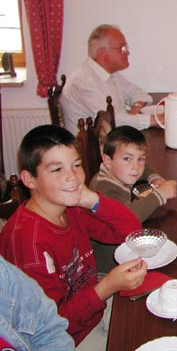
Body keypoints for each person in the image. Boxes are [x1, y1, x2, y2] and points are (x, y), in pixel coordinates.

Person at [0, 125, 148, 346]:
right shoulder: (28, 242)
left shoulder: (69, 207)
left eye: (76, 165)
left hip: (95, 312)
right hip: (72, 339)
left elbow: (131, 231)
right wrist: (107, 287)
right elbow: (51, 326)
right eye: (56, 169)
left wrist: (92, 200)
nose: (73, 177)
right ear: (29, 180)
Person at [89, 125, 177, 273]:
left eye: (140, 159)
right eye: (127, 159)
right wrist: (159, 195)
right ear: (108, 161)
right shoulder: (104, 189)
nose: (135, 167)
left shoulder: (116, 172)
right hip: (111, 266)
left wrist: (154, 178)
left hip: (123, 251)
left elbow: (145, 167)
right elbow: (127, 217)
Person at [62, 24, 164, 134]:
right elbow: (112, 121)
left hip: (112, 139)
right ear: (102, 53)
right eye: (122, 48)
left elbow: (139, 93)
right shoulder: (84, 82)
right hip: (94, 149)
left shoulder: (110, 74)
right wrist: (158, 119)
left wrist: (135, 109)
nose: (127, 52)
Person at [0, 255, 75, 350]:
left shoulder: (3, 272)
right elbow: (65, 317)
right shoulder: (33, 250)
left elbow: (51, 330)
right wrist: (97, 293)